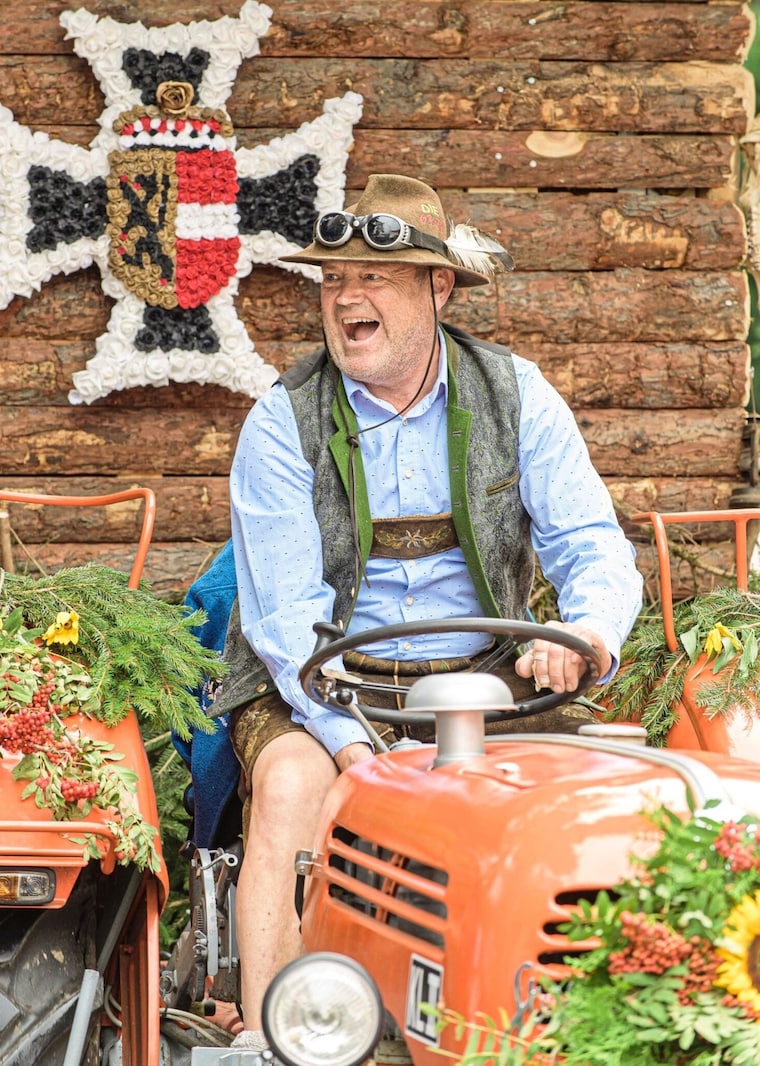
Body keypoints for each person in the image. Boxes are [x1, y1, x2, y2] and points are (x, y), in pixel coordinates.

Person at [212, 173, 644, 1050]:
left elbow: (591, 542)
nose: (346, 299)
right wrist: (354, 746)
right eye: (333, 282)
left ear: (437, 290)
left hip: (484, 681)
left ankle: (561, 1028)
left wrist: (589, 635)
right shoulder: (281, 420)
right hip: (320, 684)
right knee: (298, 784)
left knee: (586, 799)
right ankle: (278, 1037)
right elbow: (285, 614)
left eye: (373, 280)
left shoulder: (518, 395)